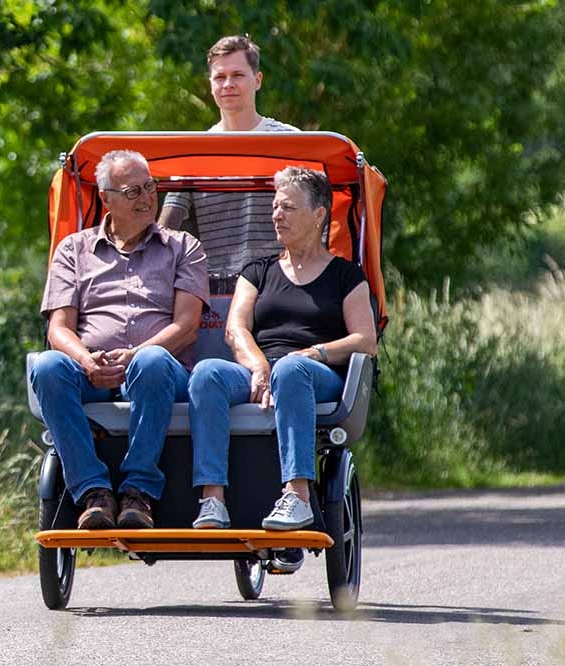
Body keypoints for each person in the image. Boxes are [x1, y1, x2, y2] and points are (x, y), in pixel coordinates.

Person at [186, 167, 377, 573]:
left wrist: (315, 353)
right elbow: (235, 329)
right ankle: (213, 499)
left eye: (288, 207)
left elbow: (365, 340)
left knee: (291, 369)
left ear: (320, 215)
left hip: (315, 373)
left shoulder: (345, 275)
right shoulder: (257, 271)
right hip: (262, 367)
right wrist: (258, 368)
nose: (276, 215)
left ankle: (299, 495)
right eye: (274, 206)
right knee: (207, 374)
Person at [30, 150, 210, 530]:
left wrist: (135, 354)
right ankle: (94, 492)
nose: (147, 198)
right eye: (134, 192)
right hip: (91, 370)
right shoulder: (73, 250)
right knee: (46, 366)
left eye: (150, 187)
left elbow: (187, 325)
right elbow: (58, 329)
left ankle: (138, 492)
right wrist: (86, 361)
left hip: (158, 372)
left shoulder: (183, 247)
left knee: (152, 361)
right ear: (106, 198)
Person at [158, 34, 300, 277]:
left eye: (238, 75)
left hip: (283, 280)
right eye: (220, 77)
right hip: (217, 285)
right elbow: (167, 225)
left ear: (257, 80)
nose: (228, 84)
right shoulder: (196, 151)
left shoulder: (292, 142)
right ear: (210, 85)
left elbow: (317, 218)